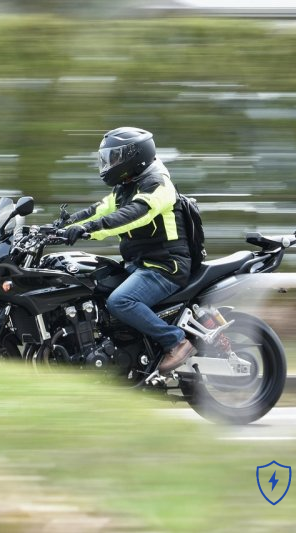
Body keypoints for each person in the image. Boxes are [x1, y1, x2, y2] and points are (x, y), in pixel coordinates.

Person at [59, 127, 195, 373]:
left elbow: (134, 215)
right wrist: (58, 227)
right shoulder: (125, 187)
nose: (109, 164)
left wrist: (88, 229)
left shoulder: (157, 184)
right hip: (139, 264)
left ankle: (176, 342)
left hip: (164, 267)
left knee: (120, 301)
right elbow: (98, 210)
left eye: (114, 158)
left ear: (135, 156)